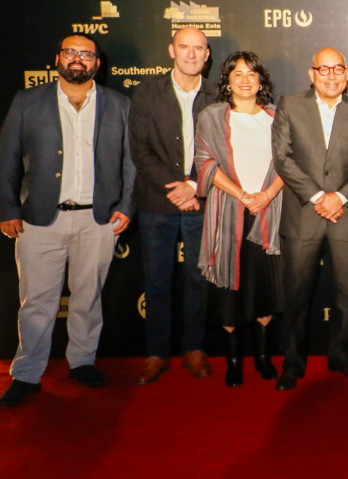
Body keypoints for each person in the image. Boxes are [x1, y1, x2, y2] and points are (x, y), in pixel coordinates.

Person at [0, 35, 134, 407]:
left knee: (88, 297)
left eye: (86, 54)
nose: (78, 59)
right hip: (39, 220)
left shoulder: (119, 104)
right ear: (58, 58)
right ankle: (27, 374)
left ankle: (82, 362)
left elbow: (131, 162)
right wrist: (7, 208)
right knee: (36, 301)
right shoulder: (28, 101)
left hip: (98, 219)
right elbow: (6, 158)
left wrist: (127, 205)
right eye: (71, 52)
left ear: (97, 63)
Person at [271, 48, 348, 391]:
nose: (331, 75)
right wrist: (319, 197)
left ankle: (341, 356)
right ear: (312, 73)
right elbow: (282, 158)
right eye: (324, 69)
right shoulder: (290, 105)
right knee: (296, 296)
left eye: (338, 69)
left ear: (347, 74)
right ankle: (292, 363)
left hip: (345, 216)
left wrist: (340, 197)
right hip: (303, 215)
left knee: (345, 295)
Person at [129, 26, 218, 384]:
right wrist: (176, 188)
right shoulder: (147, 92)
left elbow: (223, 149)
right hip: (156, 201)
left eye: (198, 48)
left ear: (207, 55)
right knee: (156, 280)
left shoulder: (218, 95)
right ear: (172, 50)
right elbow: (140, 150)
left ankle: (194, 349)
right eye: (185, 47)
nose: (191, 54)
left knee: (198, 279)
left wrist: (194, 185)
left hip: (202, 201)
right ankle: (156, 353)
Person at [194, 52, 286, 387]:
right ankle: (234, 362)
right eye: (238, 74)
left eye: (251, 74)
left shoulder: (277, 117)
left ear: (261, 81)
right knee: (228, 293)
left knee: (265, 290)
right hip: (228, 213)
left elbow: (291, 162)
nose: (245, 80)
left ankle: (262, 357)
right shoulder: (212, 116)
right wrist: (242, 195)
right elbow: (204, 162)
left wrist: (266, 196)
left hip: (268, 215)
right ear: (228, 81)